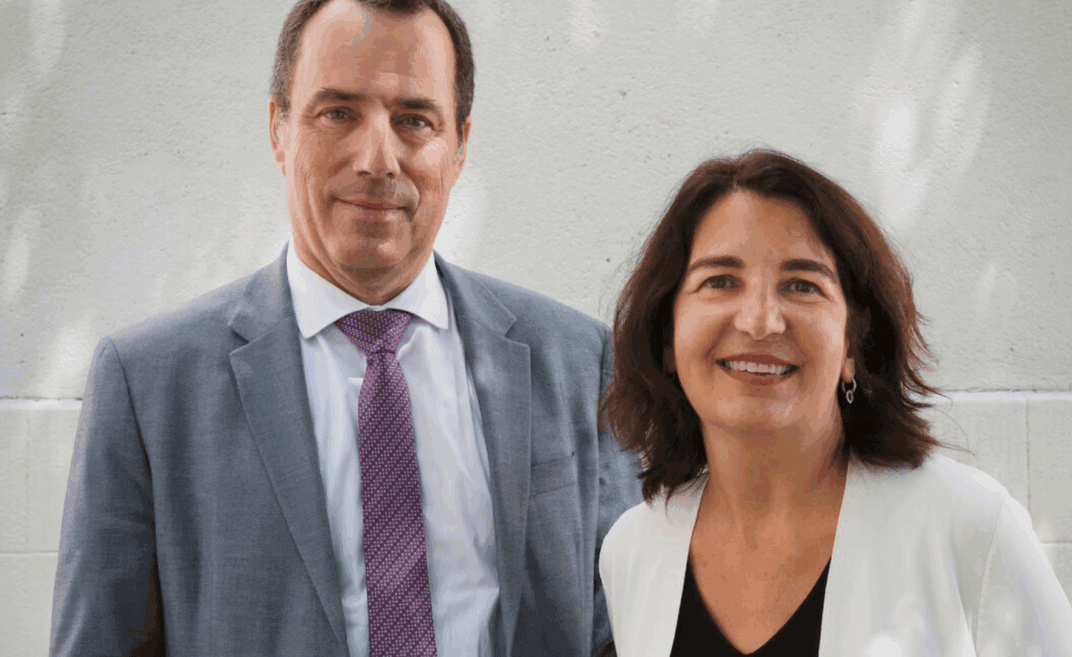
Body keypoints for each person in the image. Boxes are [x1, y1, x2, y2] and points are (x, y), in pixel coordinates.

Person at [50, 1, 639, 655]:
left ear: (460, 146)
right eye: (338, 113)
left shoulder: (577, 362)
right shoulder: (149, 385)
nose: (376, 159)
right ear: (278, 129)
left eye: (415, 120)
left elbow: (624, 627)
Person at [598, 149, 1072, 656]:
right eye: (720, 281)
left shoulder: (971, 527)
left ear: (854, 344)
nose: (760, 321)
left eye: (802, 285)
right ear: (666, 337)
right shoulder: (633, 550)